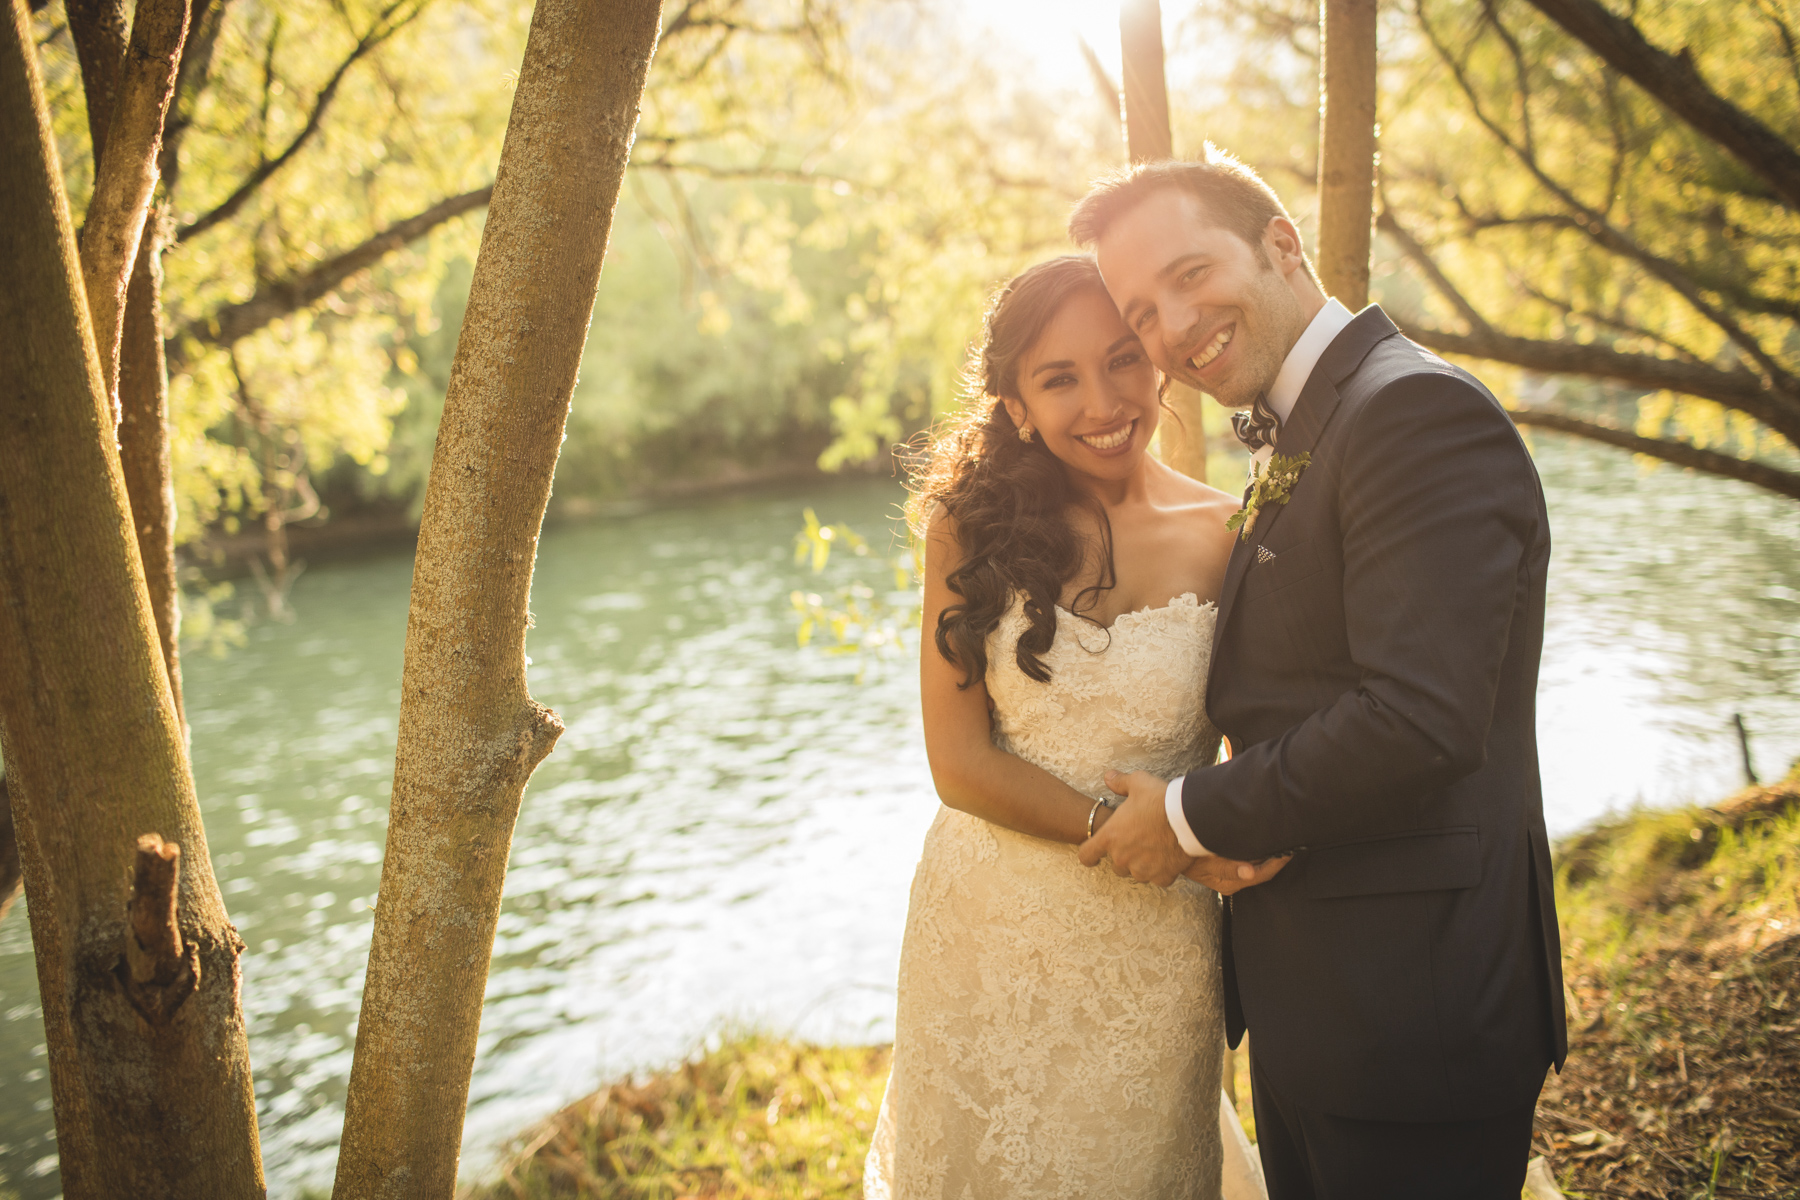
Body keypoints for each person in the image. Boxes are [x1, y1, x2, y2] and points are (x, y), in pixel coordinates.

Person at [1074, 151, 1568, 1199]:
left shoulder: (1411, 414)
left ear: (1281, 244)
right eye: (1142, 311)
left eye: (1190, 274)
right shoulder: (1309, 426)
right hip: (1329, 1010)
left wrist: (1192, 816)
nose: (1171, 326)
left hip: (1417, 1018)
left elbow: (1419, 717)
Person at [863, 254, 1267, 1199]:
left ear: (1159, 363)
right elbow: (957, 764)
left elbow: (1259, 744)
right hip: (984, 930)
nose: (1104, 401)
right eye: (1060, 378)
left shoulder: (1230, 533)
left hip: (1156, 945)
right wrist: (1111, 827)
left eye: (1124, 359)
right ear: (1015, 405)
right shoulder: (967, 528)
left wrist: (1213, 831)